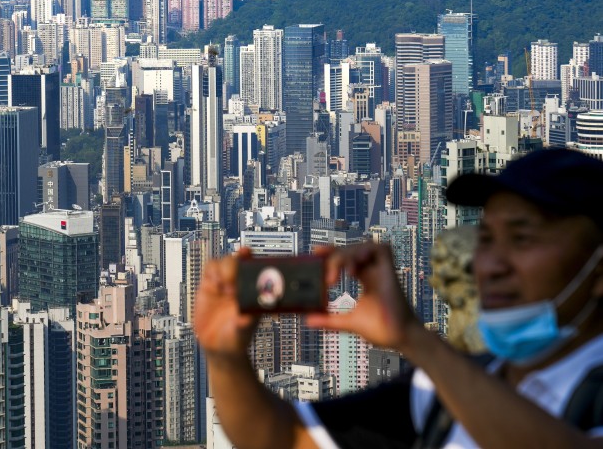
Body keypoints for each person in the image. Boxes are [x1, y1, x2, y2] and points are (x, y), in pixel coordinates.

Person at [194, 147, 603, 448]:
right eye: (487, 238)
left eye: (521, 238)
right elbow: (284, 439)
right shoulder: (439, 392)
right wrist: (226, 358)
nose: (492, 264)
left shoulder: (450, 378)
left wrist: (415, 339)